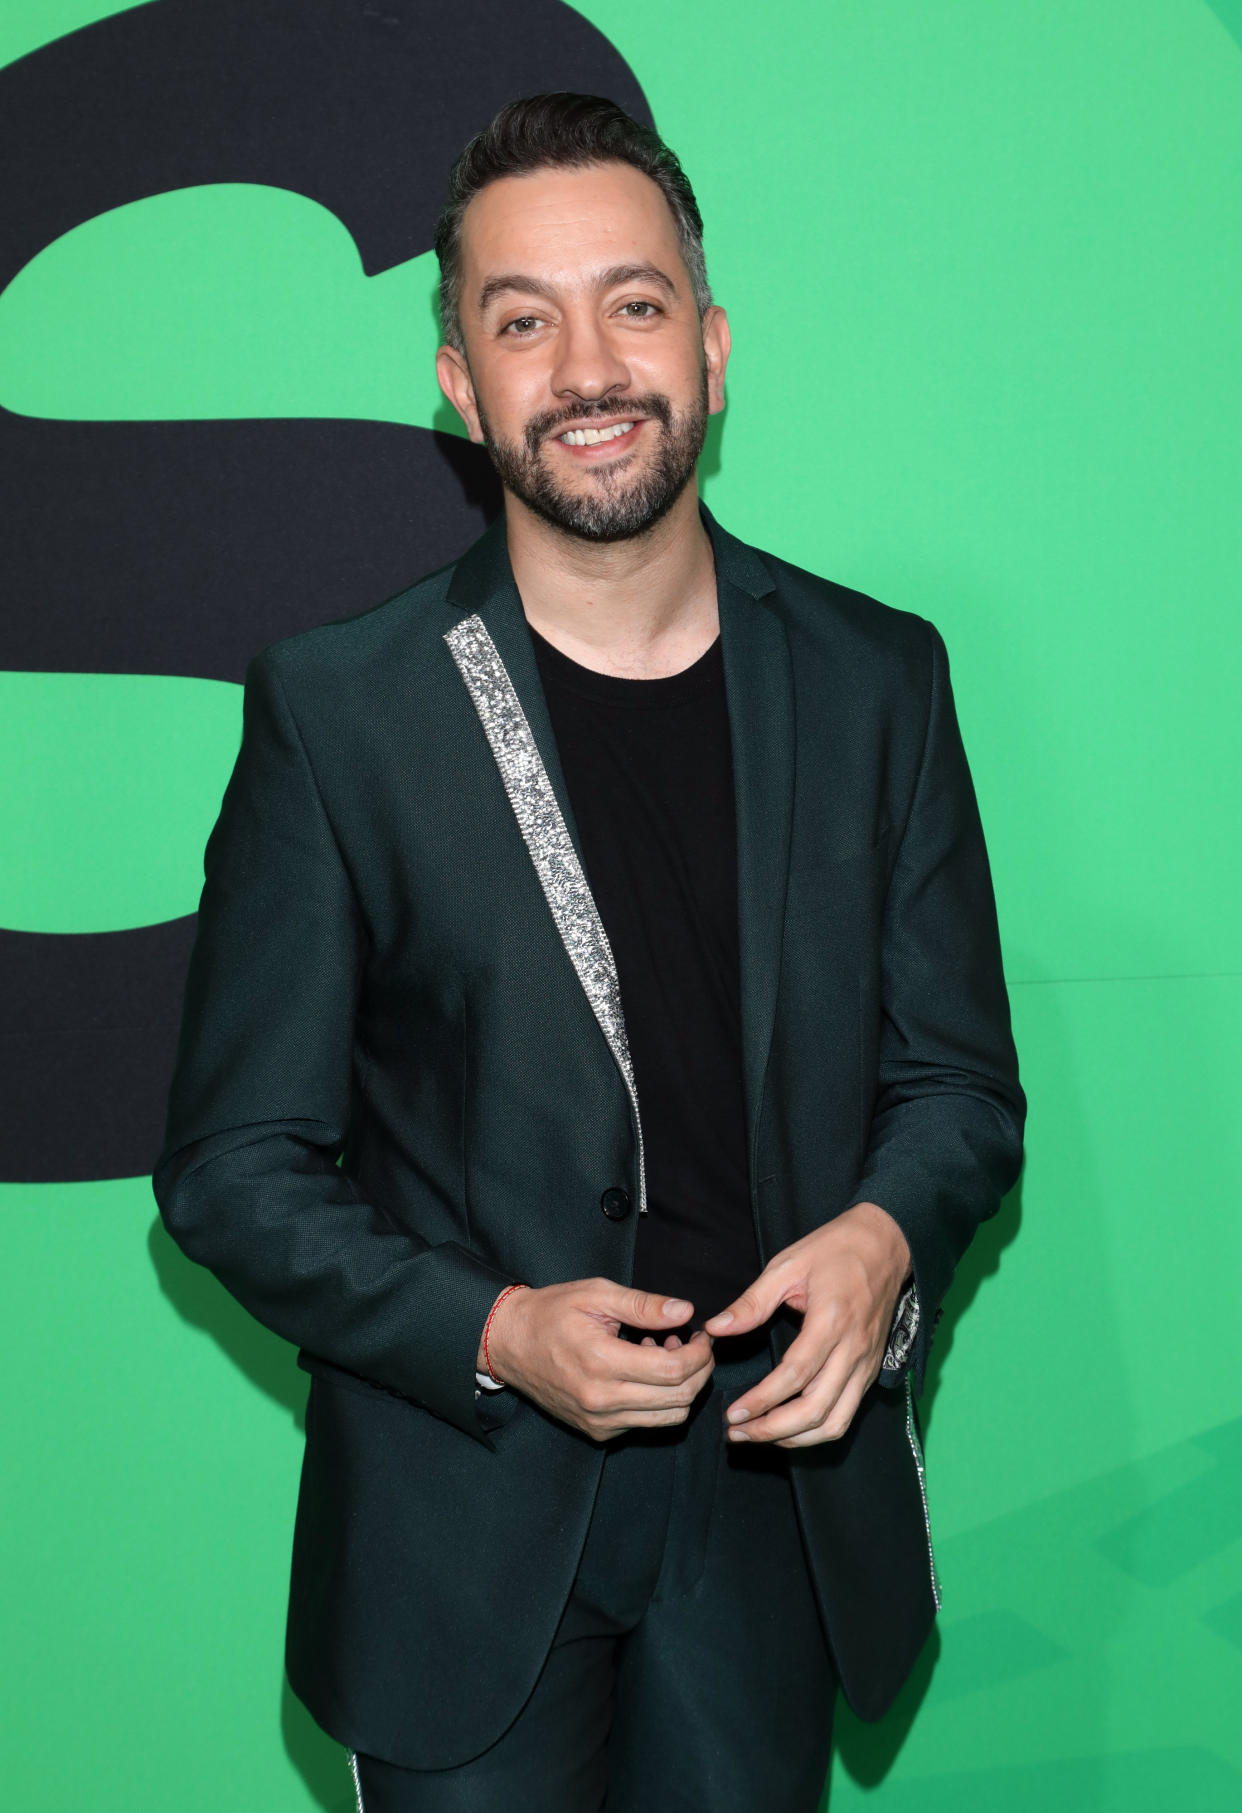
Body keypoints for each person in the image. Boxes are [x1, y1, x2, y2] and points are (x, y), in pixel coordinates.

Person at [154, 91, 1025, 1812]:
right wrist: (493, 1329)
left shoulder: (876, 682)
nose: (588, 365)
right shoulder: (342, 710)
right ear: (460, 387)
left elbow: (957, 1086)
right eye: (521, 319)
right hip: (459, 1522)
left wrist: (879, 1239)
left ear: (706, 345)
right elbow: (234, 1168)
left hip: (769, 1503)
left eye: (631, 304)